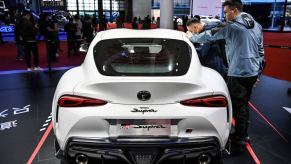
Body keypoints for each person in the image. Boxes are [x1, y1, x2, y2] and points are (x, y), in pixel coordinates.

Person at [186, 0, 265, 151]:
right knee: (244, 104)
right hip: (253, 72)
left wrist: (191, 37)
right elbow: (261, 51)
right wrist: (258, 71)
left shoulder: (231, 26)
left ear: (234, 11)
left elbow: (208, 36)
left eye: (226, 12)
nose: (225, 15)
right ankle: (243, 133)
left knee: (238, 106)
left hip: (238, 72)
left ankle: (241, 138)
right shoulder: (256, 25)